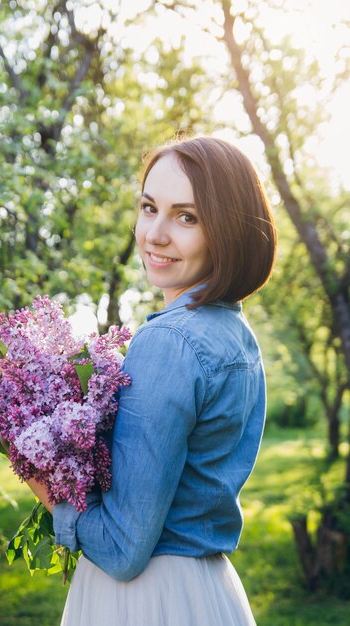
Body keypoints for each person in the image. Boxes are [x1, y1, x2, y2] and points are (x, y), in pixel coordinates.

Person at [28, 135, 277, 626]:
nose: (155, 234)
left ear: (227, 230)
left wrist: (49, 488)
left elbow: (122, 550)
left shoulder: (170, 342)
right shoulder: (235, 335)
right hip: (208, 592)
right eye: (148, 208)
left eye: (187, 217)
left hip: (146, 601)